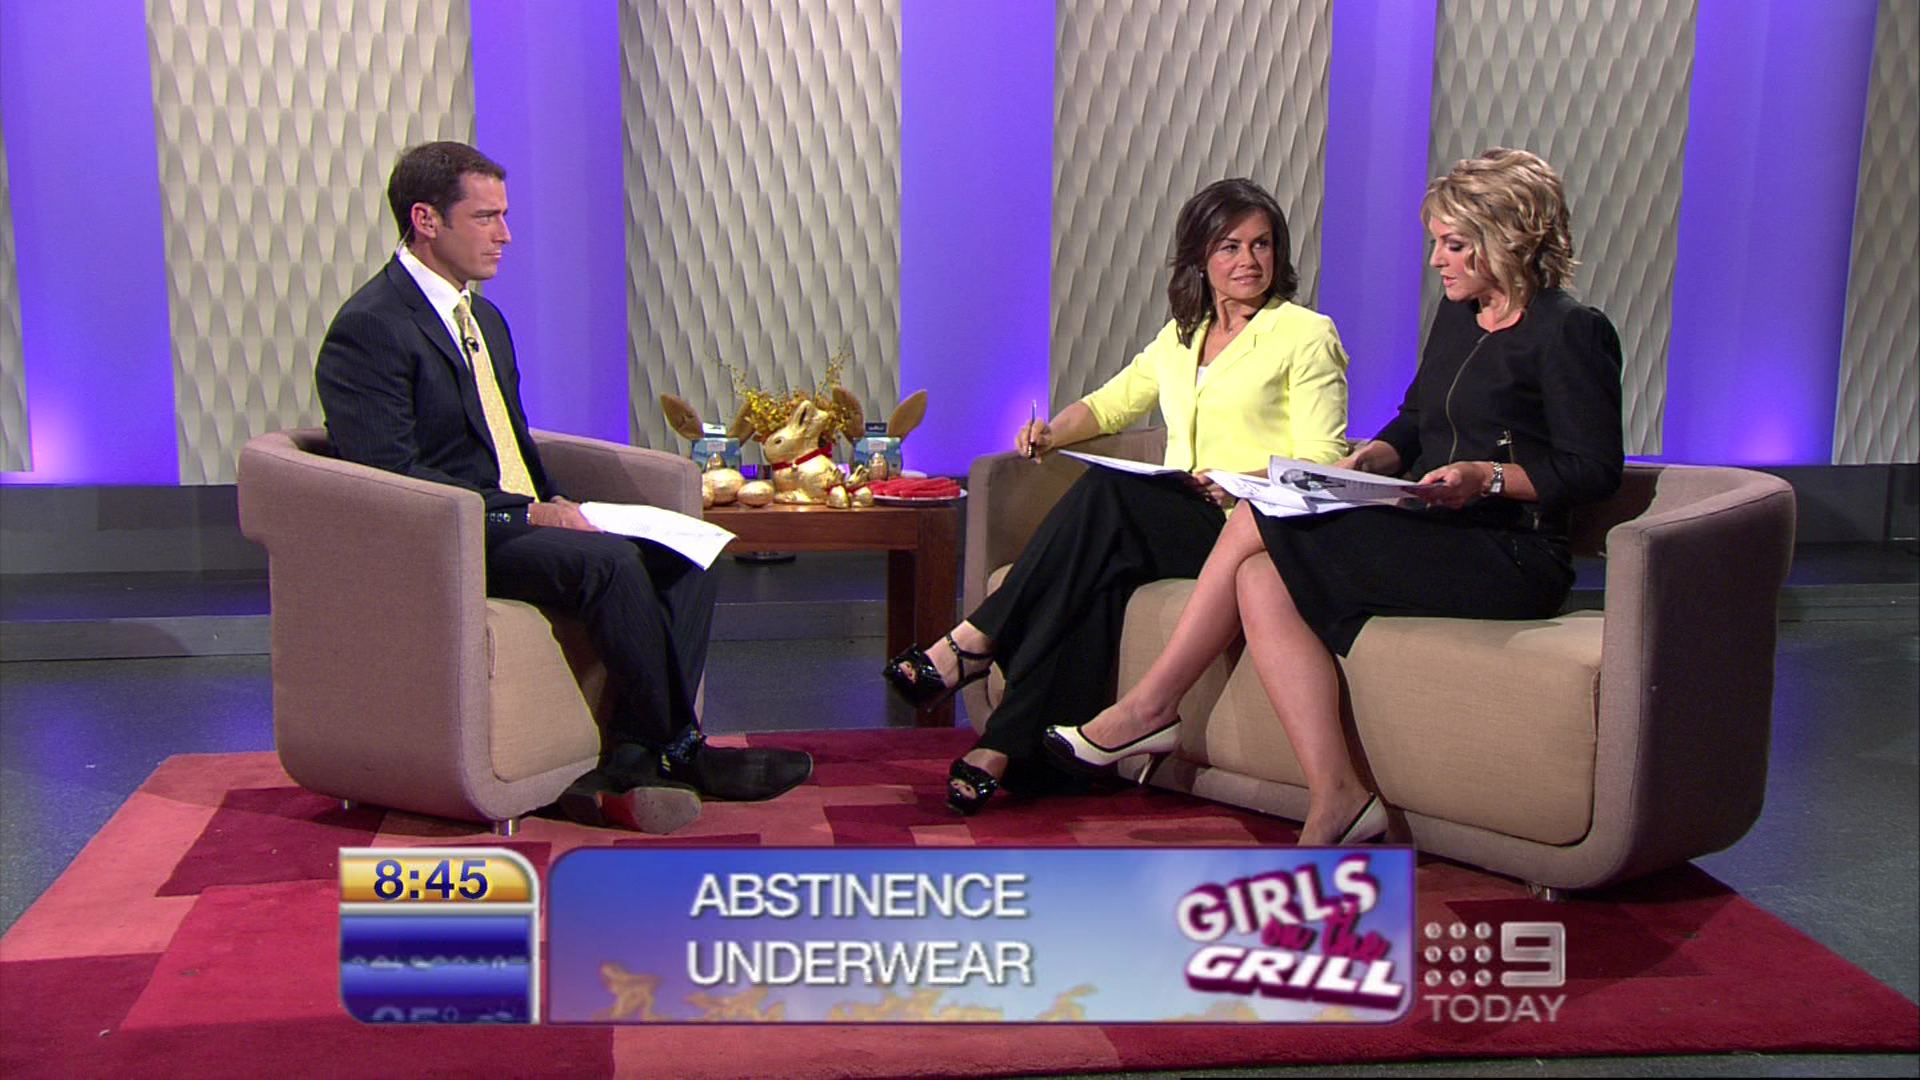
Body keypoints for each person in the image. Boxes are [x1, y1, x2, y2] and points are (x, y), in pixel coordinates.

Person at [1044, 148, 1625, 845]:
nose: (1437, 260)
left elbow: (1593, 469)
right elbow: (1416, 419)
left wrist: (1488, 476)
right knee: (1260, 577)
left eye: (1453, 244)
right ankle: (1339, 796)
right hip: (1436, 523)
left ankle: (1149, 707)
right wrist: (1373, 457)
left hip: (1514, 553)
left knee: (1259, 510)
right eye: (1436, 243)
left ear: (1507, 238)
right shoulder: (1458, 316)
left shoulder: (1571, 331)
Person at [315, 141, 812, 833]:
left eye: (504, 216)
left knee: (693, 550)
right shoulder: (371, 327)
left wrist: (554, 499)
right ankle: (682, 750)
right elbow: (392, 475)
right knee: (610, 564)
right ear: (425, 220)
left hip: (516, 513)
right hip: (452, 534)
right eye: (485, 217)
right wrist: (524, 515)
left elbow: (507, 440)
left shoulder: (482, 318)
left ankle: (633, 756)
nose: (505, 235)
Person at [883, 178, 1352, 815]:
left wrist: (1242, 478)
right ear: (1200, 257)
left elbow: (1322, 458)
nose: (1249, 261)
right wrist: (1052, 433)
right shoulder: (1182, 335)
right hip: (1181, 518)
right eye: (1230, 246)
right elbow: (1112, 404)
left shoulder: (1305, 333)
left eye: (1262, 244)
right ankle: (1007, 747)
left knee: (1110, 493)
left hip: (1247, 528)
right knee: (1092, 580)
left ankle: (974, 641)